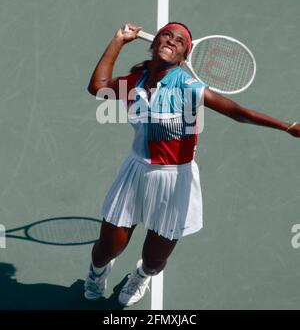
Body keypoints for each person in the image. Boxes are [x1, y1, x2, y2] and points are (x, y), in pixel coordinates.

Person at [84, 22, 300, 307]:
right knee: (107, 248)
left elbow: (237, 112)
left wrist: (287, 126)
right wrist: (118, 41)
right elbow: (97, 87)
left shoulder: (188, 87)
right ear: (154, 42)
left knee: (154, 259)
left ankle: (141, 276)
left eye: (180, 41)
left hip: (174, 181)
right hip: (135, 173)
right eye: (167, 35)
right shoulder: (134, 82)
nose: (172, 40)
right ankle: (96, 272)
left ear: (185, 56)